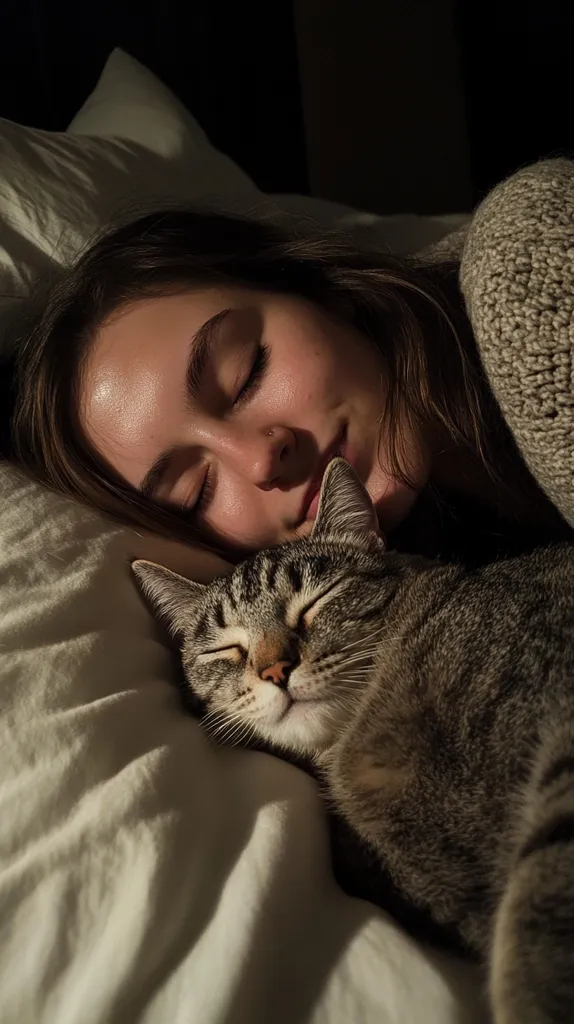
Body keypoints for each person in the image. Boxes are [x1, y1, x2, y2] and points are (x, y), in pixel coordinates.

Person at [5, 160, 574, 566]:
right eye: (195, 490)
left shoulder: (527, 273)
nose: (260, 457)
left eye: (246, 373)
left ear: (322, 289)